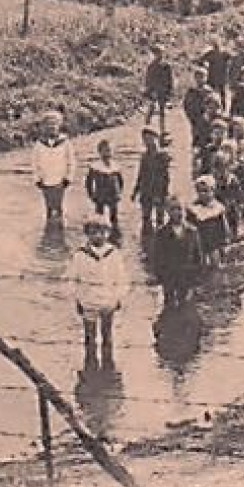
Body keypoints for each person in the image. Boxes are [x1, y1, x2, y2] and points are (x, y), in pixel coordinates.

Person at [68, 219, 129, 366]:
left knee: (107, 334)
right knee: (89, 335)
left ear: (107, 234)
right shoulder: (80, 255)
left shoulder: (113, 254)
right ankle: (90, 364)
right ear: (88, 235)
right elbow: (73, 279)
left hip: (108, 299)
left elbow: (121, 278)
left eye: (102, 232)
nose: (98, 236)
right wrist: (78, 299)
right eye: (94, 233)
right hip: (88, 299)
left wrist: (118, 297)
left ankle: (108, 365)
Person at [151, 197, 202, 306]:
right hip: (169, 276)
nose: (177, 212)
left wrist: (196, 275)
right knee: (169, 304)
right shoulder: (161, 233)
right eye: (173, 209)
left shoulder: (192, 231)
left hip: (186, 275)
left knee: (186, 304)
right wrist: (159, 276)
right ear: (167, 212)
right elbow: (157, 257)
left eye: (179, 209)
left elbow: (198, 255)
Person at [31, 112, 76, 223]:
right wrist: (37, 178)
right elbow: (35, 163)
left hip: (60, 179)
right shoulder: (39, 144)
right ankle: (49, 228)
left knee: (59, 205)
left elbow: (71, 161)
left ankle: (59, 229)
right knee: (48, 206)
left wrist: (68, 177)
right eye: (48, 124)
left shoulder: (65, 142)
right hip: (45, 179)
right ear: (43, 127)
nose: (51, 127)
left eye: (54, 124)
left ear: (59, 126)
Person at [186, 174, 232, 267]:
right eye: (200, 191)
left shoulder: (218, 208)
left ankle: (215, 273)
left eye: (206, 191)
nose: (203, 194)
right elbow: (189, 225)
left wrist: (225, 239)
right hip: (200, 241)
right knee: (201, 261)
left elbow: (223, 225)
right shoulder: (194, 208)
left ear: (213, 191)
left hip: (214, 241)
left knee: (215, 260)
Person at [133, 127, 172, 232]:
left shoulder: (163, 156)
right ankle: (146, 241)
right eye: (144, 139)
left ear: (156, 138)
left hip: (159, 191)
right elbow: (140, 175)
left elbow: (165, 178)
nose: (147, 142)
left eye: (149, 139)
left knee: (160, 219)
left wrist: (161, 193)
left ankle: (160, 241)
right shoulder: (144, 156)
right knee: (146, 219)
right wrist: (135, 191)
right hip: (146, 191)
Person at [85, 138, 125, 234]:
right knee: (99, 215)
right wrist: (91, 194)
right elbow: (89, 182)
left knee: (114, 215)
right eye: (105, 150)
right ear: (99, 152)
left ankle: (115, 232)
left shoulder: (116, 166)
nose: (107, 153)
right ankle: (99, 232)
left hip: (113, 194)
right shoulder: (95, 166)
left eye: (109, 150)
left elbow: (120, 180)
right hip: (100, 195)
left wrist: (119, 193)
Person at [181, 64, 216, 148]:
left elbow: (215, 106)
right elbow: (186, 105)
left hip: (207, 121)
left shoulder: (209, 92)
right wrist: (191, 116)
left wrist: (209, 115)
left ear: (206, 78)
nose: (200, 79)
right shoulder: (191, 91)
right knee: (196, 142)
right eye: (198, 77)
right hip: (195, 120)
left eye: (202, 77)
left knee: (208, 141)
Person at [142, 46, 174, 131]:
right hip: (154, 90)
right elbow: (148, 79)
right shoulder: (151, 66)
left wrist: (170, 89)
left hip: (163, 90)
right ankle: (148, 123)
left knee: (162, 110)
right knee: (153, 107)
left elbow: (170, 78)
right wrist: (148, 89)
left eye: (161, 53)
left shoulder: (166, 66)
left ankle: (163, 129)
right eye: (157, 53)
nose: (159, 55)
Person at [198, 37, 232, 103]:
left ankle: (223, 108)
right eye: (215, 44)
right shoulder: (210, 53)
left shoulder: (224, 53)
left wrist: (228, 67)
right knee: (209, 92)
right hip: (212, 76)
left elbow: (232, 59)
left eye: (217, 44)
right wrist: (205, 68)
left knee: (222, 93)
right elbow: (200, 60)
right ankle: (209, 105)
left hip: (222, 76)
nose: (216, 45)